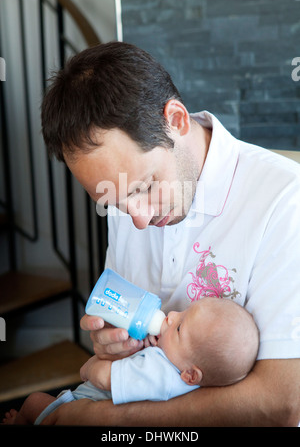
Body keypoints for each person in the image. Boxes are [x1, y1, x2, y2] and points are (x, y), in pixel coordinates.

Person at [40, 42, 300, 426]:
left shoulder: (285, 200)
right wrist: (112, 345)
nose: (139, 220)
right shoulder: (128, 198)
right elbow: (120, 339)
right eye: (114, 201)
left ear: (176, 120)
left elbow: (283, 401)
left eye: (145, 186)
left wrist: (107, 421)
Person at [2, 298, 259, 425]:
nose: (171, 315)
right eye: (182, 312)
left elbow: (104, 378)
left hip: (82, 406)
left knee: (34, 400)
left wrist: (88, 368)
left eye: (179, 328)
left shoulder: (161, 372)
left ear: (191, 375)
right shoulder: (175, 367)